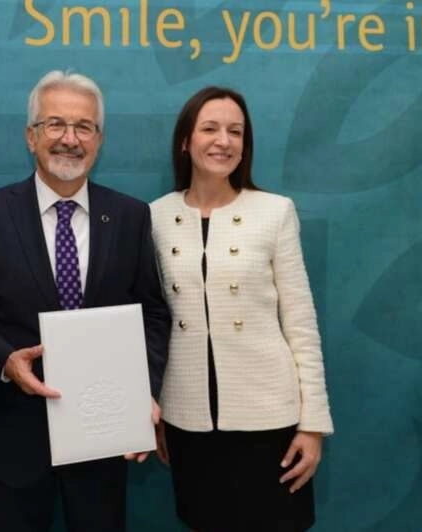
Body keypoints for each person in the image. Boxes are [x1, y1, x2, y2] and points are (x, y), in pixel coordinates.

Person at [0, 70, 170, 532]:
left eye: (84, 127)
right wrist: (5, 362)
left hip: (105, 438)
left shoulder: (130, 217)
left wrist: (140, 392)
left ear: (99, 140)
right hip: (14, 442)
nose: (70, 139)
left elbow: (153, 313)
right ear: (31, 136)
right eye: (55, 125)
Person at [150, 86, 334, 532]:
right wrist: (154, 410)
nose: (224, 141)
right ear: (185, 141)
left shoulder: (275, 212)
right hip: (188, 418)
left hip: (269, 418)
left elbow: (301, 322)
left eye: (236, 131)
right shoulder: (155, 217)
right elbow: (151, 322)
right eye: (210, 129)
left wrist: (312, 425)